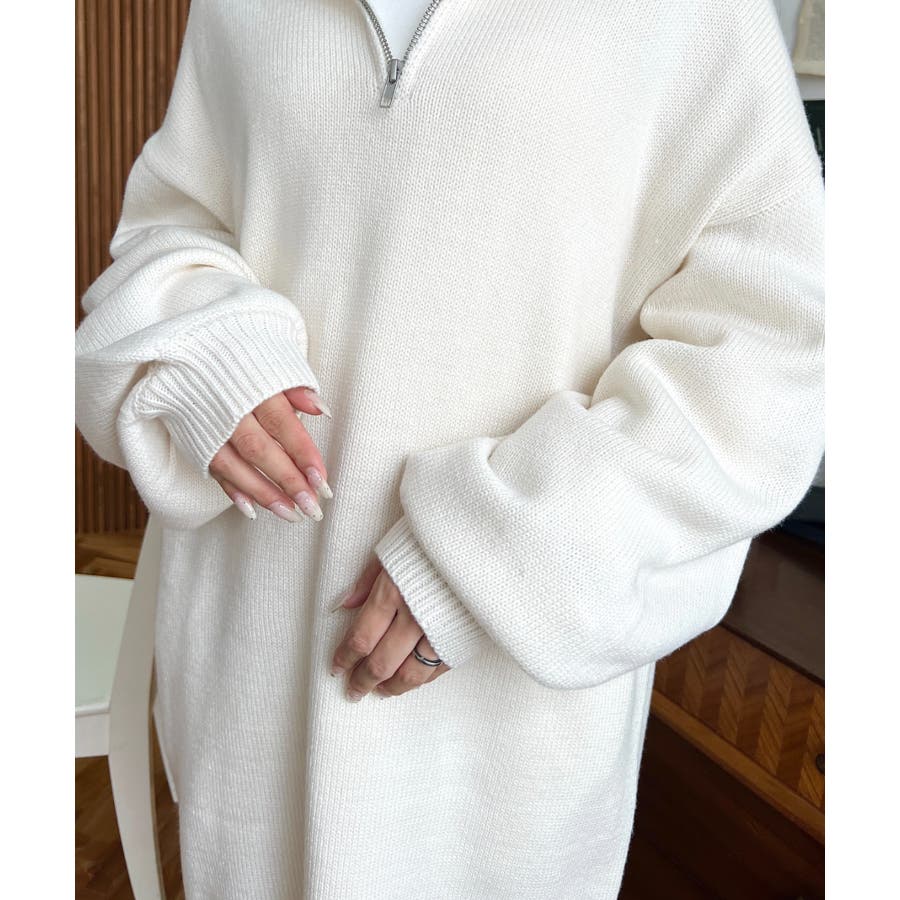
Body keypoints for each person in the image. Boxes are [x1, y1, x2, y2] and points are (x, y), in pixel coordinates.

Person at [73, 0, 826, 897]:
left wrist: (491, 557)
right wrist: (210, 352)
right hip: (250, 661)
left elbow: (773, 346)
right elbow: (171, 223)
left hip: (496, 714)